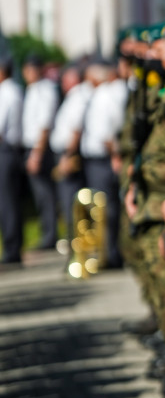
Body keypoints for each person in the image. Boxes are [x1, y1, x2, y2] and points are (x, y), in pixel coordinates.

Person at [81, 60, 127, 269]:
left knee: (105, 209)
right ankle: (106, 253)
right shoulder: (101, 95)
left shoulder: (105, 96)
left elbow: (108, 134)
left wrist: (114, 155)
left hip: (102, 159)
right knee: (101, 208)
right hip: (96, 158)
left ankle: (110, 254)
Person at [50, 64, 92, 238]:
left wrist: (67, 156)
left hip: (68, 153)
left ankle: (76, 243)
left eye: (65, 79)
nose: (62, 83)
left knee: (71, 202)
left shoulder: (78, 96)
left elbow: (75, 129)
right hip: (66, 152)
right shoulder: (74, 96)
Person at [21, 54, 59, 250]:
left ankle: (50, 235)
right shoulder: (32, 90)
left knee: (45, 193)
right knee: (39, 194)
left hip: (40, 148)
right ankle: (47, 233)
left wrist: (36, 154)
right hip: (31, 146)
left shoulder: (45, 90)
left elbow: (44, 125)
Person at [0, 54, 24, 265]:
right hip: (11, 150)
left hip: (5, 150)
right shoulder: (14, 90)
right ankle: (14, 245)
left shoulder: (5, 93)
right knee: (11, 201)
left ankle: (12, 248)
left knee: (6, 202)